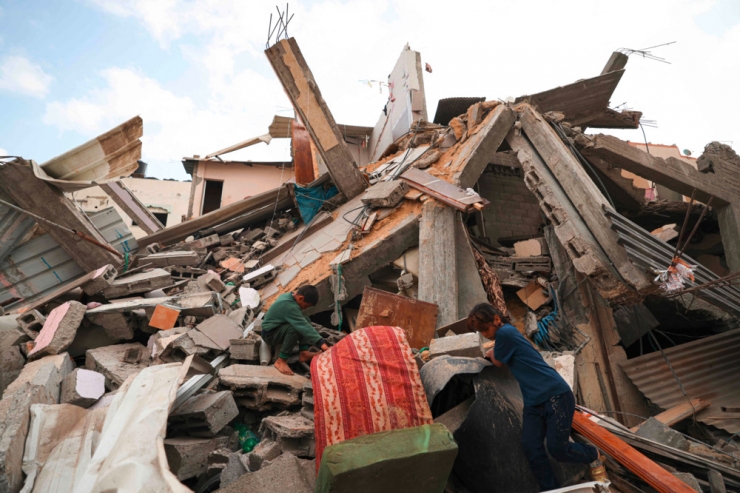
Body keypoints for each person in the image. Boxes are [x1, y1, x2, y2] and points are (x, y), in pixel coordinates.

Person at [467, 303, 600, 491]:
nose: (485, 334)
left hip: (555, 395)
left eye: (485, 329)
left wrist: (490, 352)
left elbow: (497, 361)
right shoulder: (505, 336)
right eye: (480, 332)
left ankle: (593, 454)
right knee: (531, 447)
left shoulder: (505, 333)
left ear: (497, 320)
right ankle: (550, 488)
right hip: (534, 400)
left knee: (558, 449)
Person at [261, 285, 329, 375]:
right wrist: (322, 343)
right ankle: (281, 360)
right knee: (295, 328)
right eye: (306, 306)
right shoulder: (289, 306)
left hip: (276, 328)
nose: (305, 308)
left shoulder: (291, 296)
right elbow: (302, 325)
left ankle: (304, 353)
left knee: (306, 320)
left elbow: (303, 323)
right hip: (269, 334)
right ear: (301, 298)